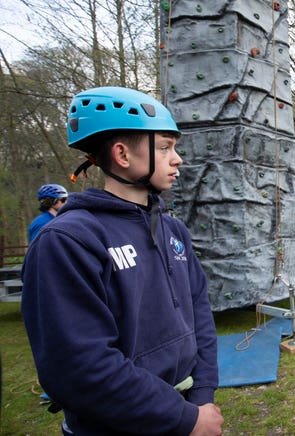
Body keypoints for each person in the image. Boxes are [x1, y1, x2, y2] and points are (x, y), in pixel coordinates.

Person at [21, 86, 224, 435]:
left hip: (186, 413)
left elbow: (199, 314)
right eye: (164, 147)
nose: (177, 159)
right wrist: (184, 419)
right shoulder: (68, 241)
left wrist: (202, 397)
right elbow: (78, 366)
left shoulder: (173, 229)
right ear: (122, 155)